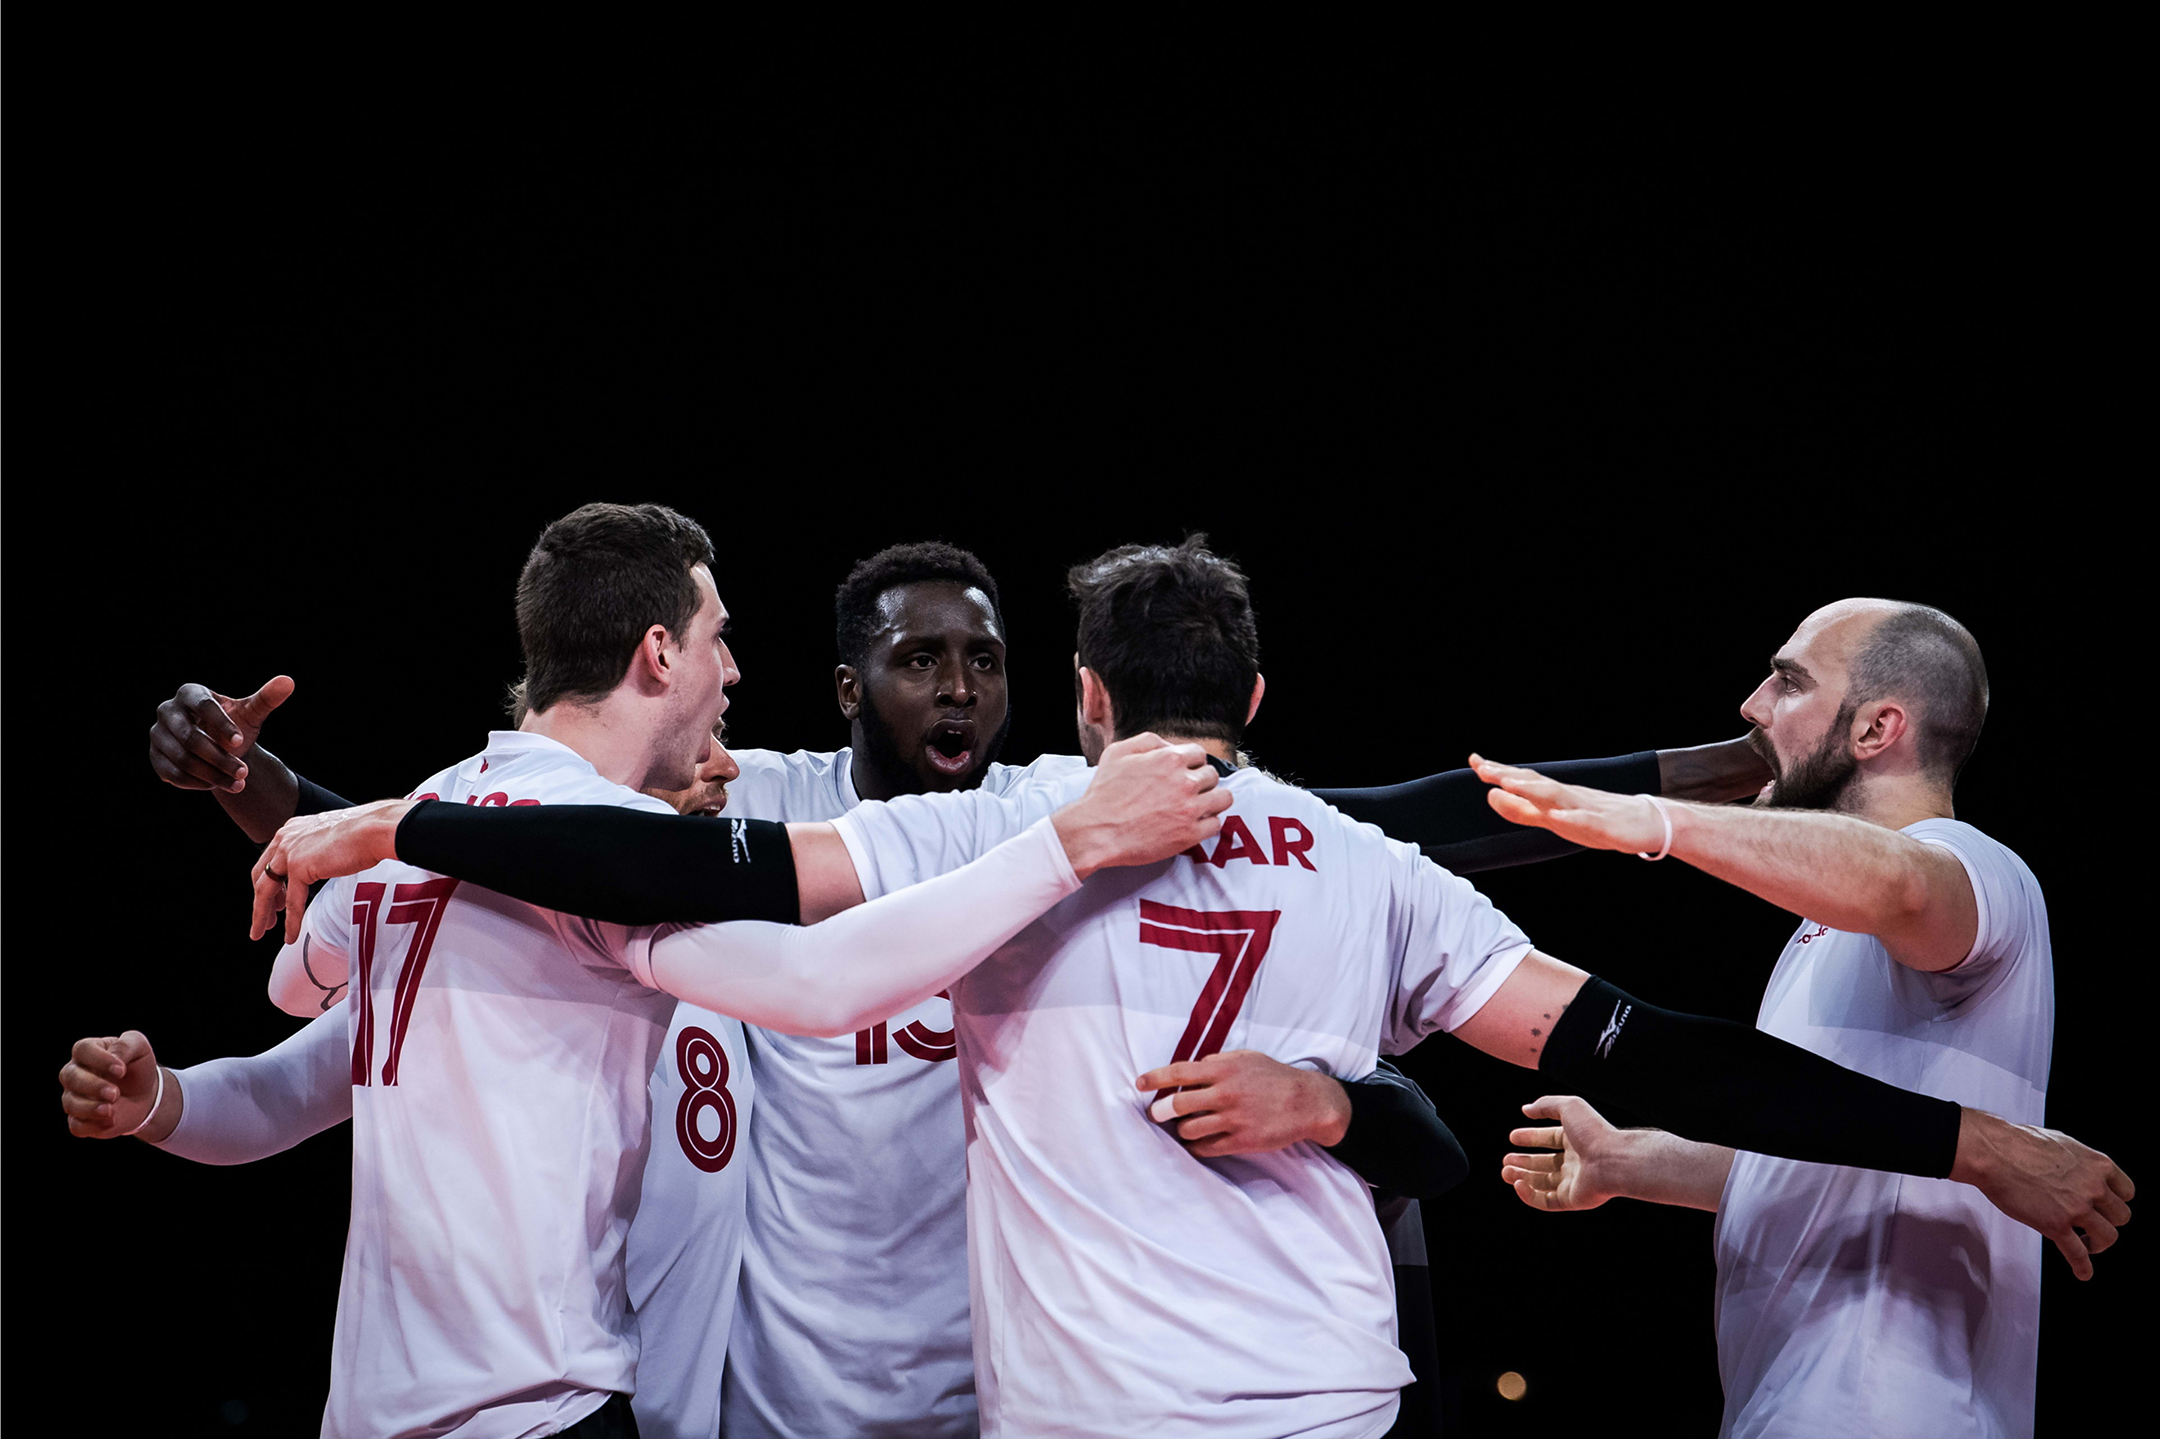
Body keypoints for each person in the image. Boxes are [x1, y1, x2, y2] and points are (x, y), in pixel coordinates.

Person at [253, 542, 2133, 1438]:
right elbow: (1653, 1046)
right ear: (1257, 698)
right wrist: (1975, 1141)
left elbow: (688, 873)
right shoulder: (1362, 857)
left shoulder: (1006, 827)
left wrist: (408, 820)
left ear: (1078, 697)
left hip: (1081, 1414)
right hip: (1329, 1402)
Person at [82, 501, 1238, 1439]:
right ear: (658, 651)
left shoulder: (428, 827)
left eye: (984, 659)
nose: (732, 670)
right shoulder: (586, 855)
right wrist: (1069, 845)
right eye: (717, 636)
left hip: (383, 1405)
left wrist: (161, 1100)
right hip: (546, 1401)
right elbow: (816, 983)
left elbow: (298, 1052)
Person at [1481, 598, 2133, 1438]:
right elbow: (1824, 1160)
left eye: (1788, 682)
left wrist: (1661, 821)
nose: (1753, 705)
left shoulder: (1979, 868)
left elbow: (1903, 884)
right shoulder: (1820, 932)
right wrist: (1624, 1160)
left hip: (1892, 1407)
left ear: (1876, 728)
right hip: (1788, 1398)